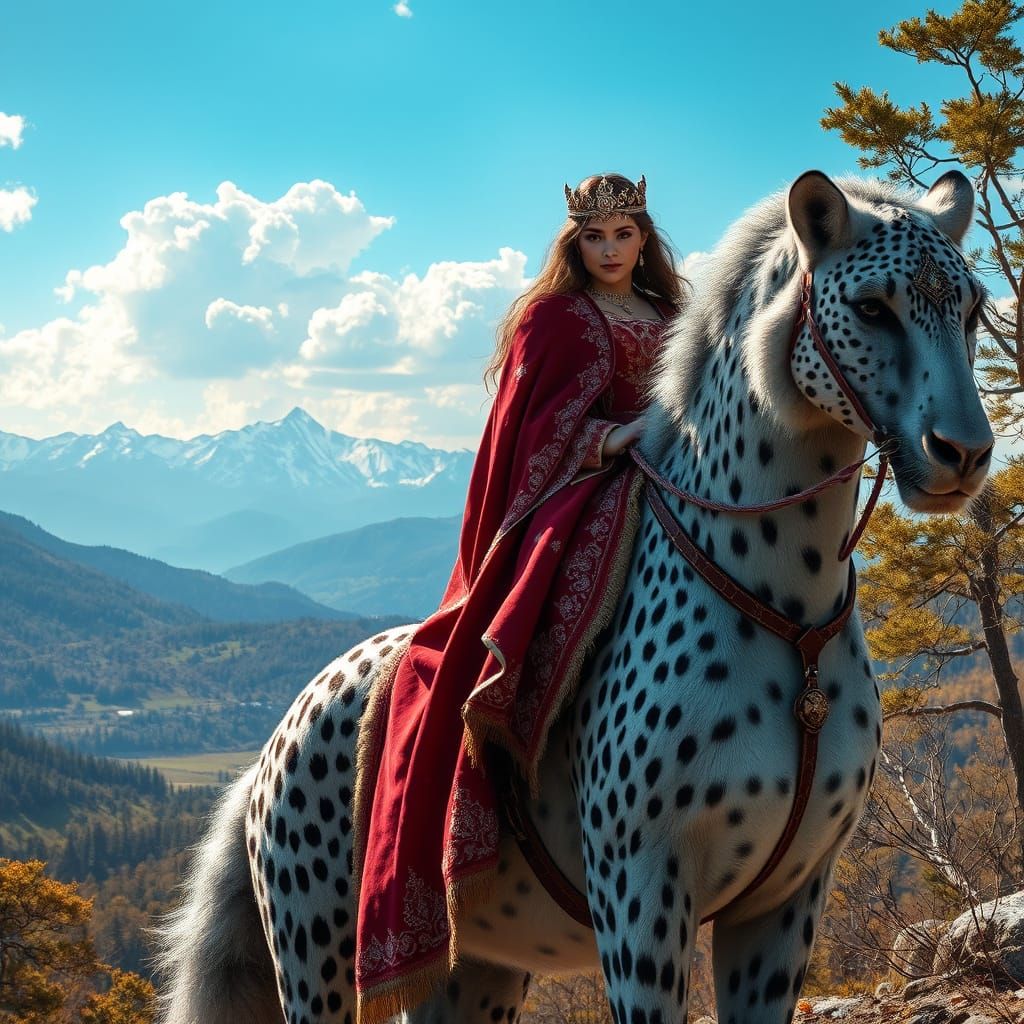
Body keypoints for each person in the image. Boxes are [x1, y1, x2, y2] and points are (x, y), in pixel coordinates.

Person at [355, 174, 685, 1024]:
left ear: (645, 238)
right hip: (586, 489)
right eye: (594, 237)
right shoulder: (556, 320)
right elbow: (530, 434)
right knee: (553, 603)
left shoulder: (675, 318)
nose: (610, 250)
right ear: (573, 244)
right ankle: (517, 750)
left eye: (623, 234)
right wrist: (614, 437)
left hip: (677, 491)